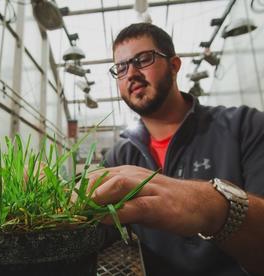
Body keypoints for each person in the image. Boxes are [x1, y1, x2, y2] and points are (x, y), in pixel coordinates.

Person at [88, 23, 264, 275]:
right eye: (121, 67)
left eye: (143, 59)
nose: (131, 73)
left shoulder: (244, 126)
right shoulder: (120, 157)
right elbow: (98, 229)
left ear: (174, 65)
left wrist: (211, 206)